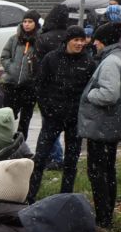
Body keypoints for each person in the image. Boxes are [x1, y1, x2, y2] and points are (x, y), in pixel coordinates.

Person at [76, 20, 121, 230]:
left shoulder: (110, 62)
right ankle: (107, 214)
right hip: (113, 125)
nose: (95, 46)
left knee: (97, 172)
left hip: (102, 127)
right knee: (108, 170)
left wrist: (90, 94)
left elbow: (109, 94)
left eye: (98, 42)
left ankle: (103, 218)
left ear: (104, 42)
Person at [29, 23, 94, 201]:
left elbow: (89, 91)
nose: (80, 43)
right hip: (52, 118)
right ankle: (30, 195)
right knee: (40, 158)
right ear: (67, 41)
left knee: (71, 161)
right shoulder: (51, 58)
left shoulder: (88, 62)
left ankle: (64, 198)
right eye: (76, 40)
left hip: (74, 120)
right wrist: (47, 110)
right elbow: (40, 86)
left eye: (82, 40)